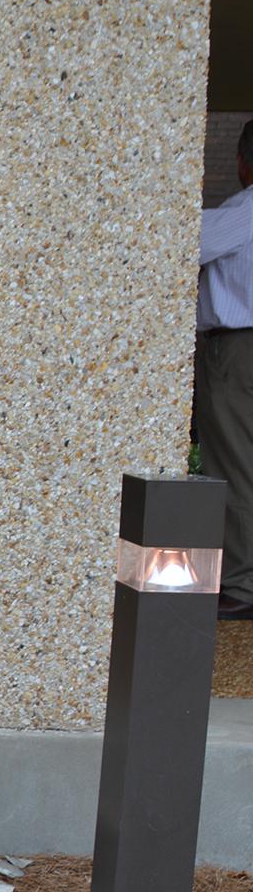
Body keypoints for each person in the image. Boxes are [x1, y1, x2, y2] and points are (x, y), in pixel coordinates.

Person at [196, 119, 253, 619]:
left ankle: (240, 584)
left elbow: (177, 247)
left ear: (241, 163)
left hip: (239, 350)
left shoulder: (241, 213)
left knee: (234, 465)